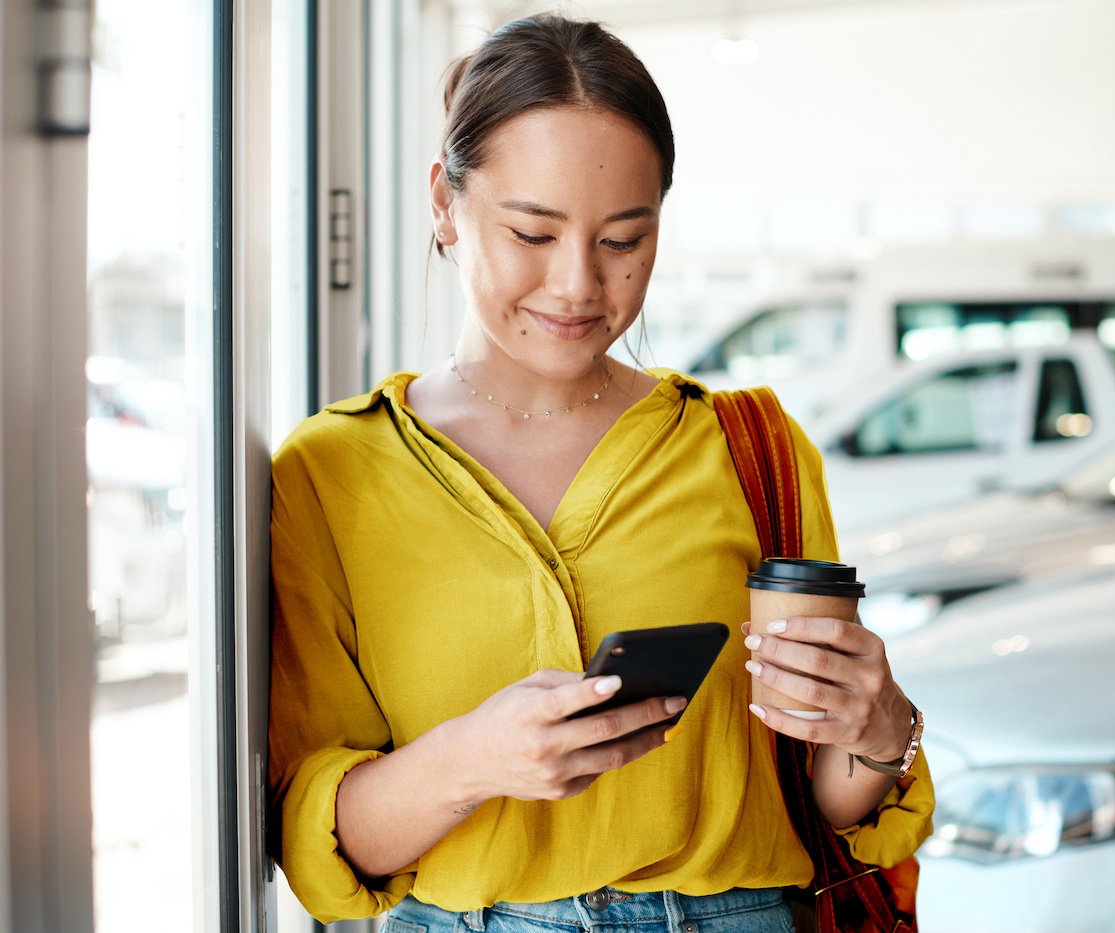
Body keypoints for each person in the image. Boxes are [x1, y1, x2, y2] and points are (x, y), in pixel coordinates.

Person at [268, 14, 933, 932]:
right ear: (443, 205)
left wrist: (879, 725)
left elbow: (829, 800)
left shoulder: (753, 448)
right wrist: (473, 760)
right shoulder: (332, 471)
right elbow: (323, 843)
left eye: (623, 239)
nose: (578, 284)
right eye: (532, 233)